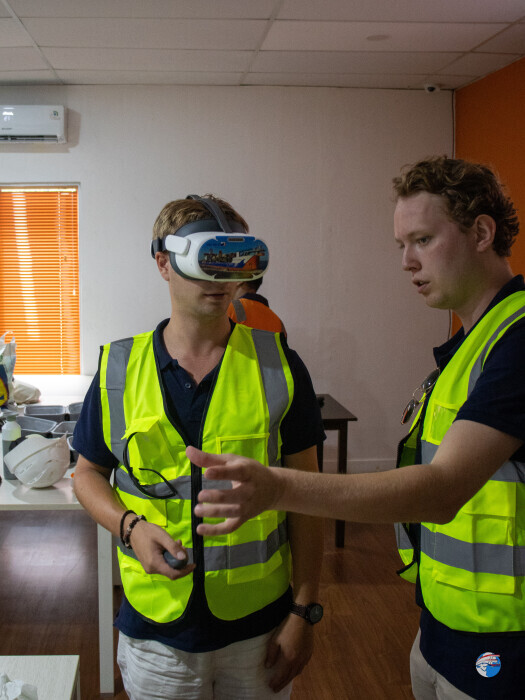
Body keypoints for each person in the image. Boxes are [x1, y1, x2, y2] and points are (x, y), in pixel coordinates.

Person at [189, 158, 525, 699]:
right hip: (443, 625)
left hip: (506, 645)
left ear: (482, 233)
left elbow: (443, 491)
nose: (407, 262)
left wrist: (277, 487)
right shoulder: (472, 344)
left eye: (422, 240)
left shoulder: (517, 340)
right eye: (401, 245)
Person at [72, 194, 325, 700]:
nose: (219, 278)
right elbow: (86, 473)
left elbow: (309, 497)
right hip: (157, 632)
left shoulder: (278, 365)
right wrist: (130, 528)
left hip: (259, 630)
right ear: (164, 263)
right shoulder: (119, 370)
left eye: (231, 262)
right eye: (204, 261)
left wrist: (304, 611)